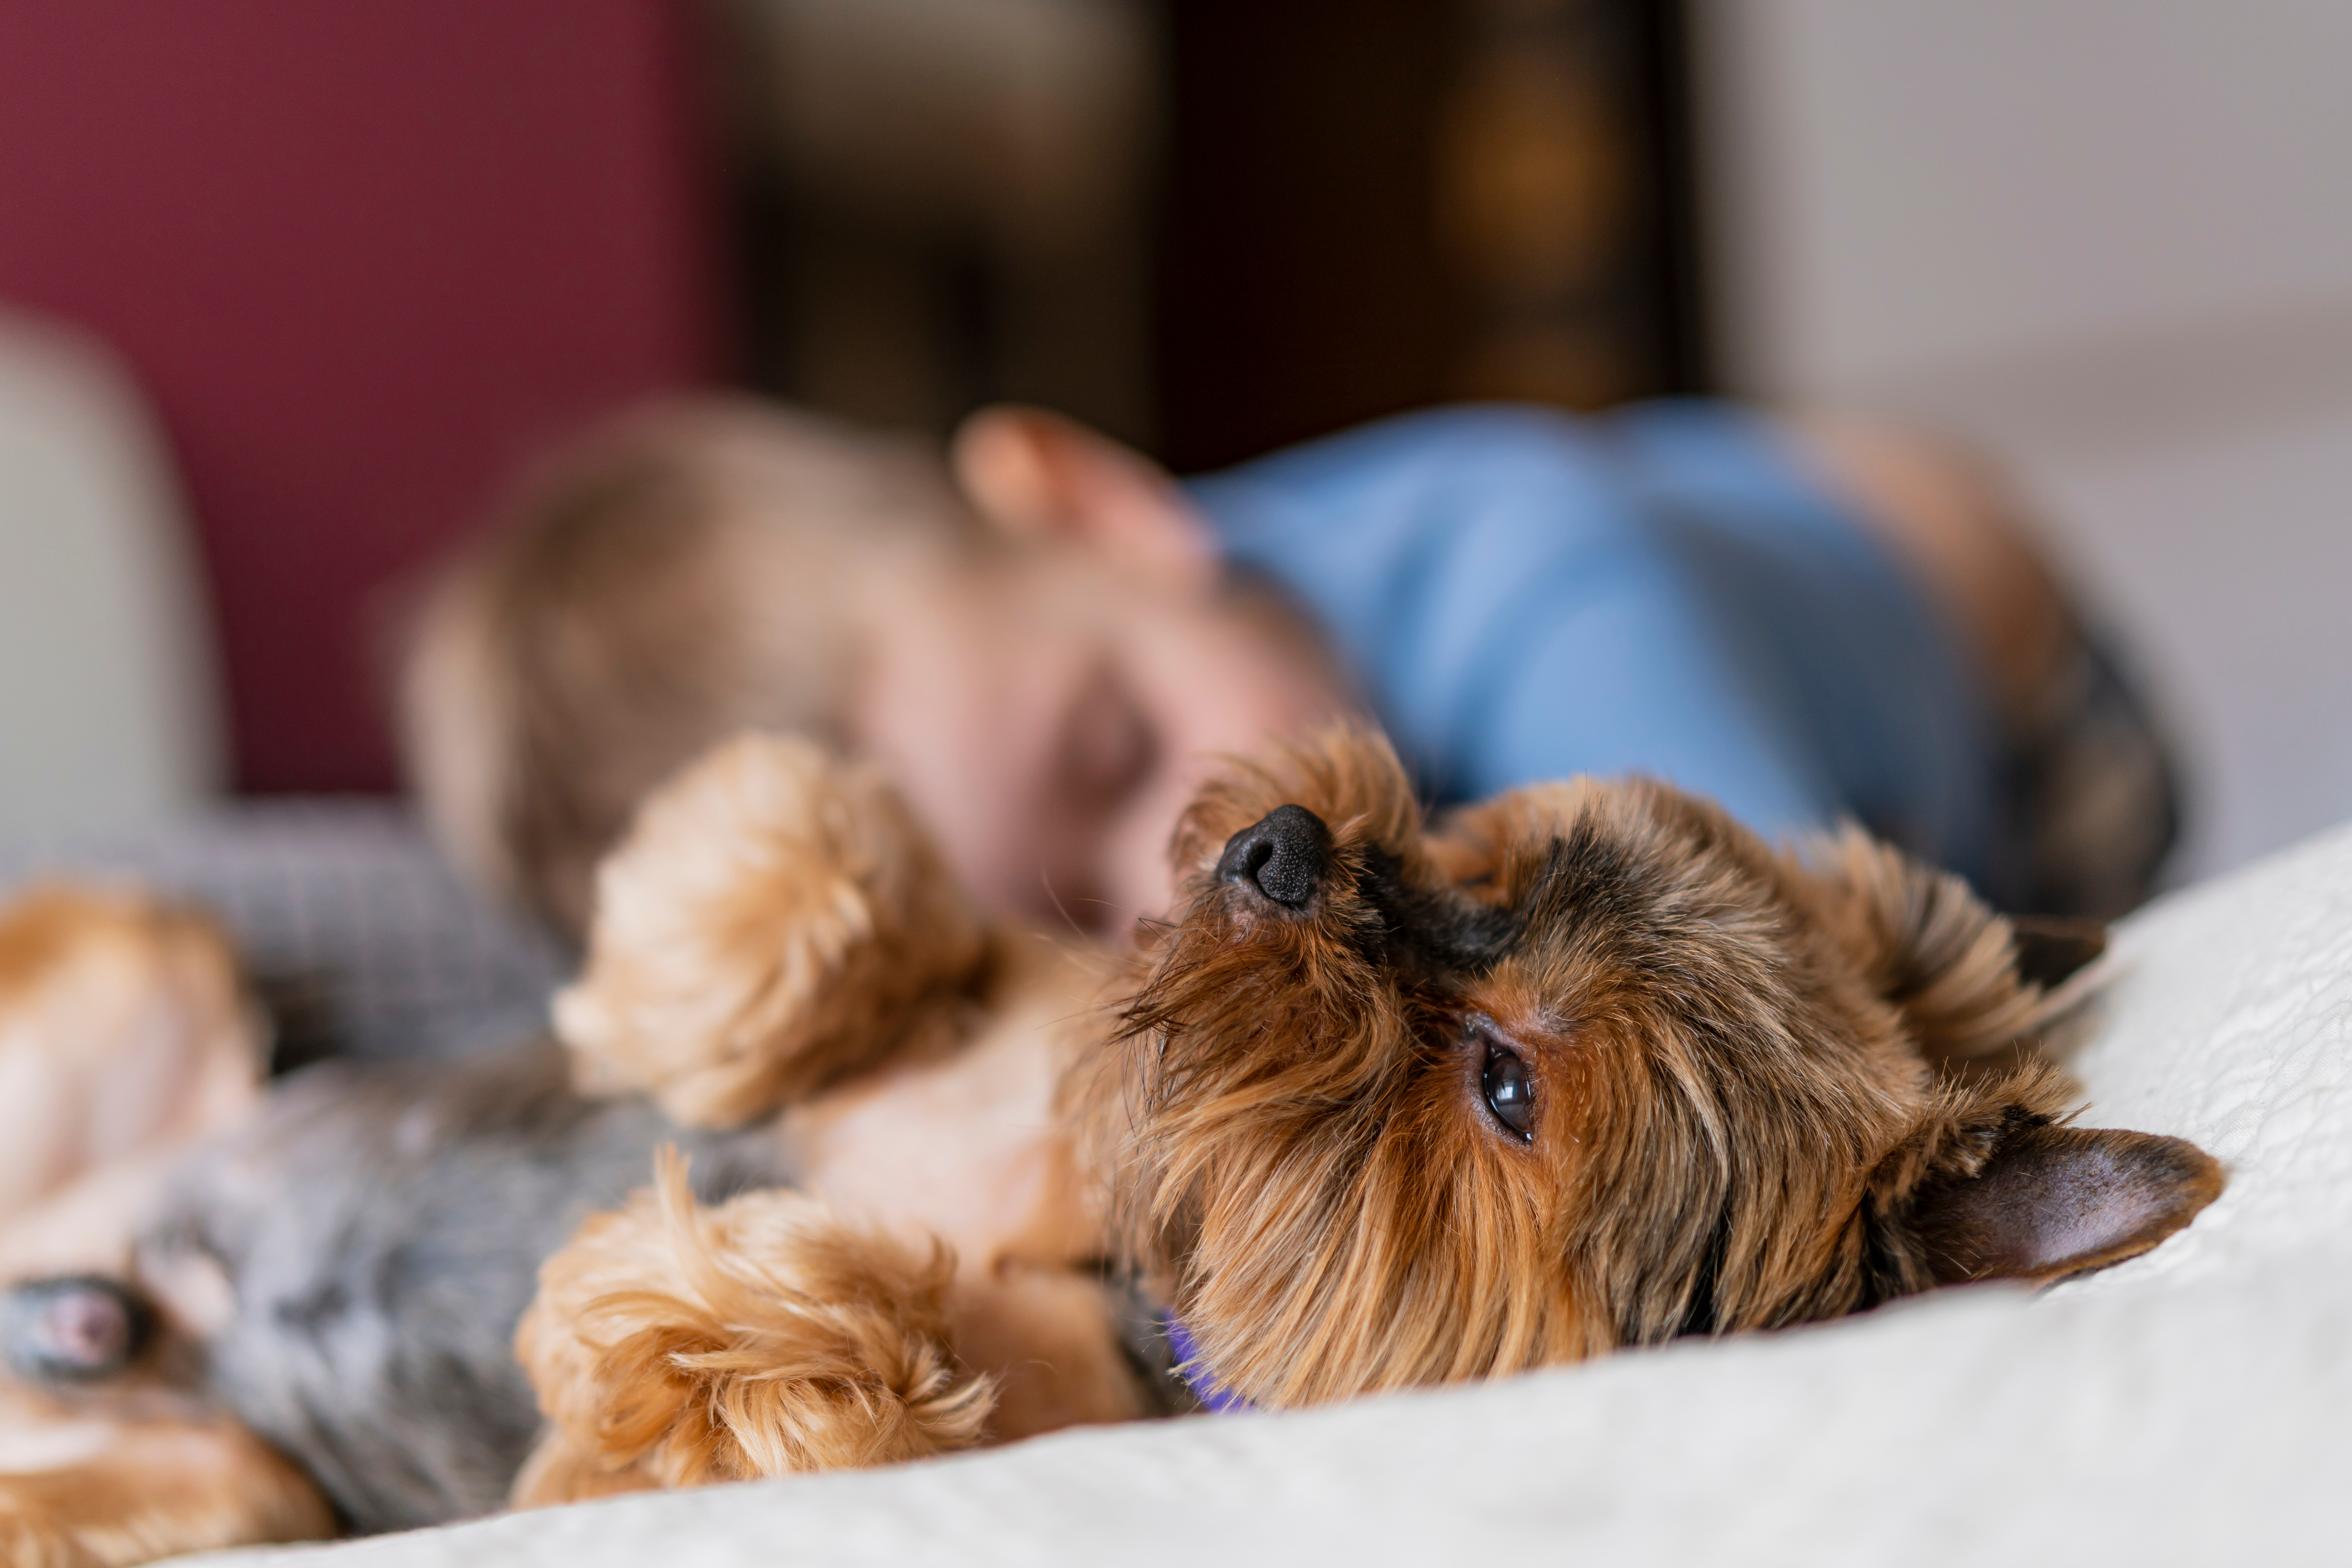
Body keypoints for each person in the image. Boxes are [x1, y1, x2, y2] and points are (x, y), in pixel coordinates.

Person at [403, 397, 2176, 946]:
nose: (1168, 897)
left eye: (1118, 756)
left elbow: (1790, 954)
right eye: (1061, 929)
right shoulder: (1089, 626)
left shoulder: (1541, 595)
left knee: (2012, 969)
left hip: (1990, 663)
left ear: (1103, 507)